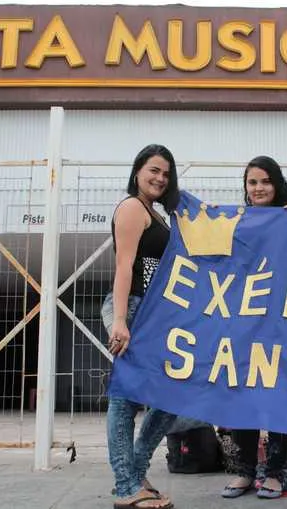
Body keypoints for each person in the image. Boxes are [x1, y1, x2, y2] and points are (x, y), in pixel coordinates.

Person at [103, 144, 180, 509]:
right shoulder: (132, 207)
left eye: (165, 173)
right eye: (153, 170)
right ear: (137, 172)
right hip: (132, 309)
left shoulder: (158, 214)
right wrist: (120, 320)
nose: (159, 178)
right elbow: (124, 266)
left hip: (153, 315)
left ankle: (134, 473)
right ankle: (126, 487)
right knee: (125, 399)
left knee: (167, 399)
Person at [220, 155, 287, 500]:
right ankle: (245, 471)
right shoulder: (238, 224)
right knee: (245, 394)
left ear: (277, 183)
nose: (258, 188)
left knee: (281, 395)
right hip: (246, 322)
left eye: (265, 181)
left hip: (284, 323)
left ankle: (276, 472)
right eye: (252, 182)